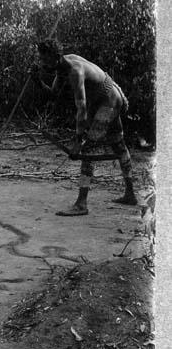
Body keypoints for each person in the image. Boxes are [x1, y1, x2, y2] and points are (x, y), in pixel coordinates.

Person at [37, 39, 137, 216]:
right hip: (105, 98)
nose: (43, 63)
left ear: (56, 57)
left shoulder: (75, 71)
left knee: (88, 148)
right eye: (41, 59)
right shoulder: (62, 68)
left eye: (45, 60)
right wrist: (37, 81)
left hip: (108, 101)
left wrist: (78, 140)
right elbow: (53, 94)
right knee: (118, 144)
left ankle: (81, 204)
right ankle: (130, 194)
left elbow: (82, 109)